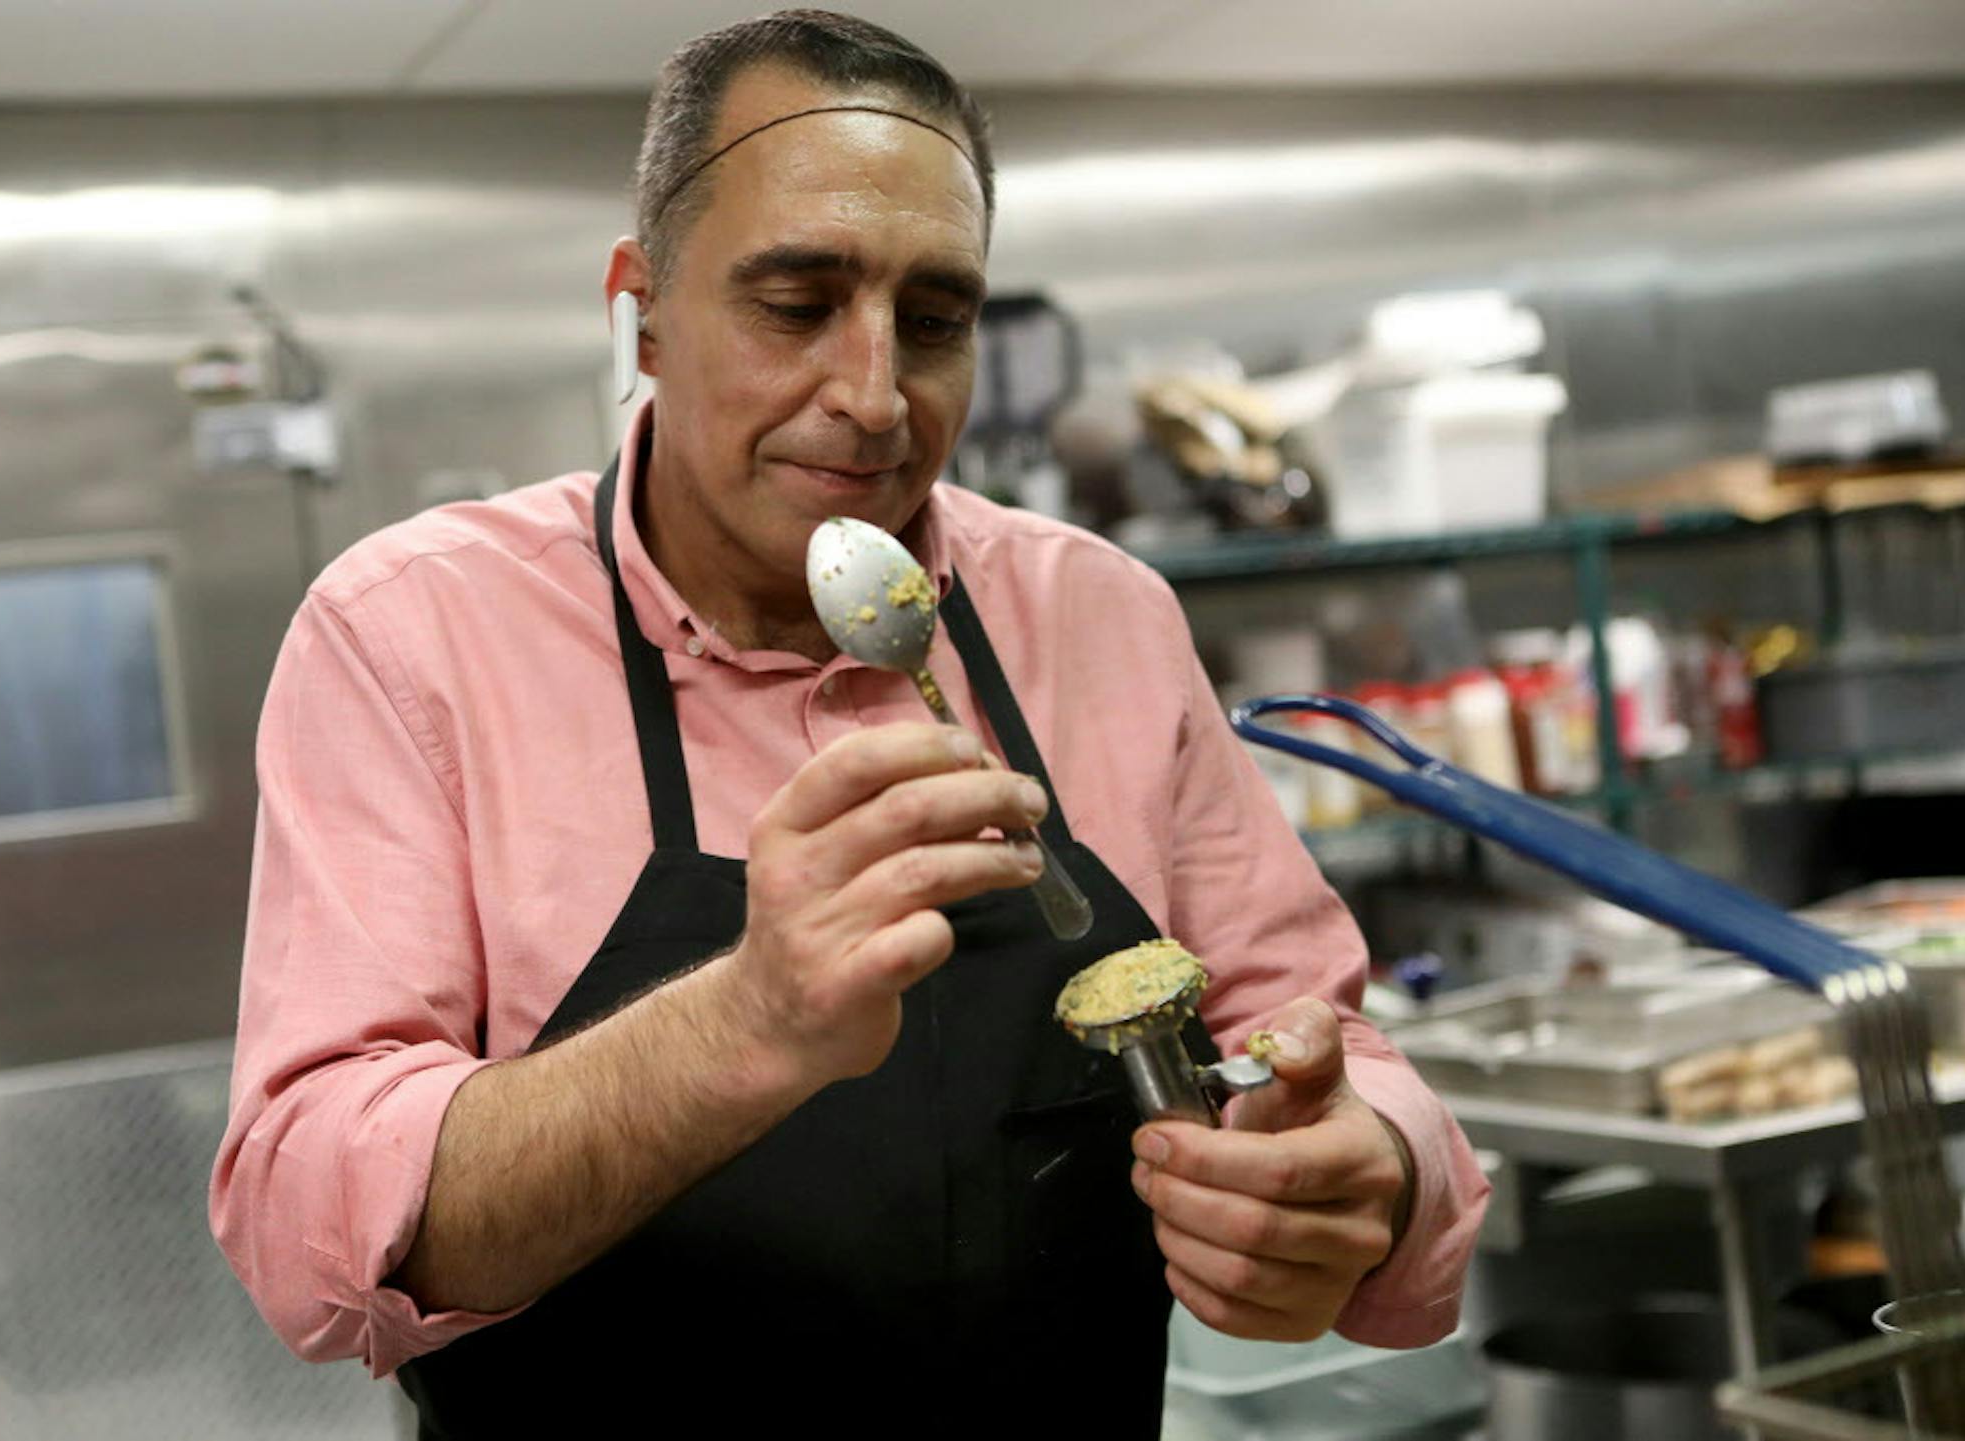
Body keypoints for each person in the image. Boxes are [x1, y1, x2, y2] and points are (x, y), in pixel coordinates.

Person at [211, 10, 1489, 1436]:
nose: (874, 397)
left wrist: (1355, 1171)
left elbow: (1330, 1044)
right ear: (642, 306)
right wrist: (743, 1021)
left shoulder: (1097, 617)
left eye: (934, 321)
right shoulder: (414, 637)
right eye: (797, 302)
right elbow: (308, 1228)